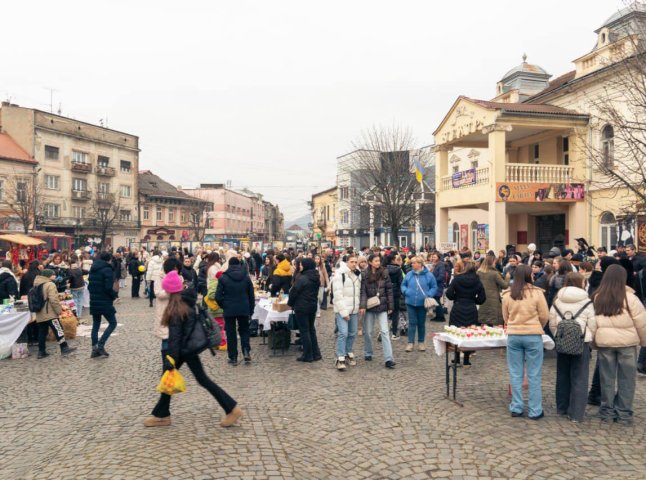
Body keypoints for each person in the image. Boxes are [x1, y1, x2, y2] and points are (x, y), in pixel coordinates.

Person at [144, 271, 242, 428]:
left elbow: (175, 338)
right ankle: (162, 414)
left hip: (185, 350)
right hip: (188, 348)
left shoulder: (176, 309)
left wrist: (170, 359)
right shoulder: (186, 301)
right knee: (171, 378)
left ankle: (231, 408)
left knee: (199, 379)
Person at [591, 264, 646, 424]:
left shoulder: (598, 296)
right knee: (627, 380)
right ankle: (623, 413)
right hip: (627, 343)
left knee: (606, 379)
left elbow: (593, 322)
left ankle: (607, 411)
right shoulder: (631, 298)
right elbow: (641, 322)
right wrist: (643, 342)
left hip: (605, 342)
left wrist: (595, 341)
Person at [502, 264, 549, 419]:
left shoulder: (509, 294)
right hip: (532, 334)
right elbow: (544, 315)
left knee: (515, 373)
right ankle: (535, 410)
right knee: (534, 374)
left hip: (514, 334)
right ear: (530, 276)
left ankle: (517, 407)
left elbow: (505, 316)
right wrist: (537, 326)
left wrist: (513, 324)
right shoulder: (537, 294)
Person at [548, 273, 596, 422]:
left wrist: (560, 336)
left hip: (562, 342)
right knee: (580, 377)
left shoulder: (558, 301)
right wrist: (586, 336)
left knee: (562, 375)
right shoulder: (587, 302)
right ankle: (576, 413)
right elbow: (593, 325)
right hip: (582, 342)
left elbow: (552, 323)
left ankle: (562, 408)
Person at [215, 257, 255, 365]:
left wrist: (224, 305)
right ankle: (246, 351)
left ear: (229, 265)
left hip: (229, 308)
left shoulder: (223, 277)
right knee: (244, 330)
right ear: (239, 265)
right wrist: (251, 309)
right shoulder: (246, 277)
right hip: (243, 307)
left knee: (231, 332)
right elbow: (251, 295)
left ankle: (233, 356)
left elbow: (217, 296)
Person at [359, 254, 396, 369]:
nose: (378, 263)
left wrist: (391, 305)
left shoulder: (384, 273)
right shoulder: (364, 274)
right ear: (370, 262)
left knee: (385, 332)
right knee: (368, 332)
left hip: (382, 306)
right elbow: (363, 291)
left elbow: (389, 290)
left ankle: (389, 359)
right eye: (375, 261)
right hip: (370, 306)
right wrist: (363, 306)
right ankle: (368, 352)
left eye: (379, 260)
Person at [33, 269, 77, 359]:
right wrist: (58, 311)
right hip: (50, 313)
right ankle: (64, 348)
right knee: (58, 329)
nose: (55, 276)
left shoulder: (37, 284)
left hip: (40, 313)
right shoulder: (50, 284)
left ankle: (41, 352)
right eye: (53, 275)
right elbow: (53, 299)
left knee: (42, 332)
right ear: (49, 276)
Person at [288, 258, 322, 363]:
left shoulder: (302, 278)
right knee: (311, 329)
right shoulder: (316, 276)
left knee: (304, 331)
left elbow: (294, 291)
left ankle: (308, 355)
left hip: (302, 307)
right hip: (312, 306)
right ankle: (316, 353)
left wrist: (290, 303)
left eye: (302, 265)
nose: (300, 266)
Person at [401, 256, 437, 352]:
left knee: (421, 323)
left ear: (420, 264)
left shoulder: (429, 275)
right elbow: (403, 284)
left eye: (414, 263)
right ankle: (410, 343)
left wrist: (429, 294)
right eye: (412, 263)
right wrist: (405, 291)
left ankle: (421, 342)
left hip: (422, 304)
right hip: (410, 302)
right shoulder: (409, 274)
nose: (412, 264)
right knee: (412, 323)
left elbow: (434, 286)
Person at [332, 254, 361, 371]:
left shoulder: (358, 274)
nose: (354, 264)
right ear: (347, 262)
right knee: (343, 333)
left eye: (355, 262)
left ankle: (348, 352)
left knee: (352, 333)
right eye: (352, 262)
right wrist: (344, 312)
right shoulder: (340, 275)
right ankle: (340, 357)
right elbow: (337, 294)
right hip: (342, 309)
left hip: (354, 309)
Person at [88, 252, 118, 358]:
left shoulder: (93, 269)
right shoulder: (107, 270)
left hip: (94, 299)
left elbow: (89, 286)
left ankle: (94, 349)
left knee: (96, 324)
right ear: (109, 260)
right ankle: (100, 345)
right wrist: (114, 295)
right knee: (113, 323)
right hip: (104, 300)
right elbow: (108, 287)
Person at [476, 255, 508, 326]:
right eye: (495, 262)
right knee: (492, 321)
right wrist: (507, 278)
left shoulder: (479, 272)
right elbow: (505, 286)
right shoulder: (494, 273)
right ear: (492, 262)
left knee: (483, 320)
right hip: (493, 299)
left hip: (481, 298)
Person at [386, 252, 404, 339]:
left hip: (385, 292)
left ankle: (382, 332)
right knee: (395, 313)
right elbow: (401, 282)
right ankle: (394, 333)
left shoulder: (383, 269)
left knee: (384, 313)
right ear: (393, 260)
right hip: (395, 292)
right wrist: (401, 292)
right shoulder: (398, 270)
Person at [428, 252, 446, 322]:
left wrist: (433, 281)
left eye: (434, 257)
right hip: (435, 285)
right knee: (436, 300)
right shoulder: (435, 265)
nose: (433, 258)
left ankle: (441, 317)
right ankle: (438, 316)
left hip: (438, 285)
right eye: (432, 257)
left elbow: (441, 276)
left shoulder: (440, 265)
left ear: (438, 257)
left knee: (437, 300)